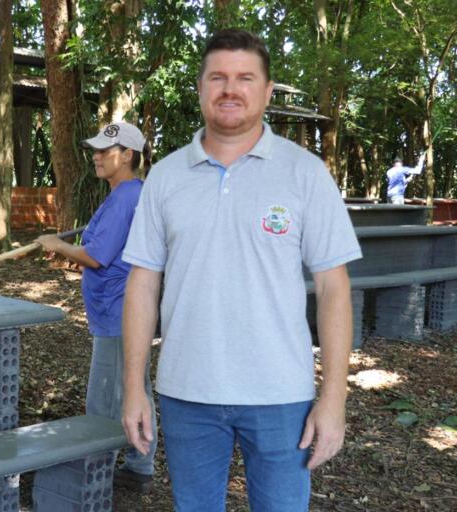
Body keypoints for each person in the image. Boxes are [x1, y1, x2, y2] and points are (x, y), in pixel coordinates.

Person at [120, 28, 362, 511]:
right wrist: (134, 386)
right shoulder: (165, 176)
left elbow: (334, 288)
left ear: (267, 91)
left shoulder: (305, 172)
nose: (230, 89)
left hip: (282, 394)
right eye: (218, 77)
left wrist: (333, 398)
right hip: (186, 392)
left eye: (245, 77)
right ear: (201, 88)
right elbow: (142, 284)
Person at [35, 121, 158, 493]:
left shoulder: (125, 197)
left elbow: (96, 256)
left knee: (105, 395)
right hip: (116, 309)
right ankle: (139, 463)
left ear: (128, 155)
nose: (97, 157)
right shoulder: (126, 194)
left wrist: (57, 245)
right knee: (133, 386)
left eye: (106, 151)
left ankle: (106, 469)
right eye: (96, 150)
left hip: (120, 312)